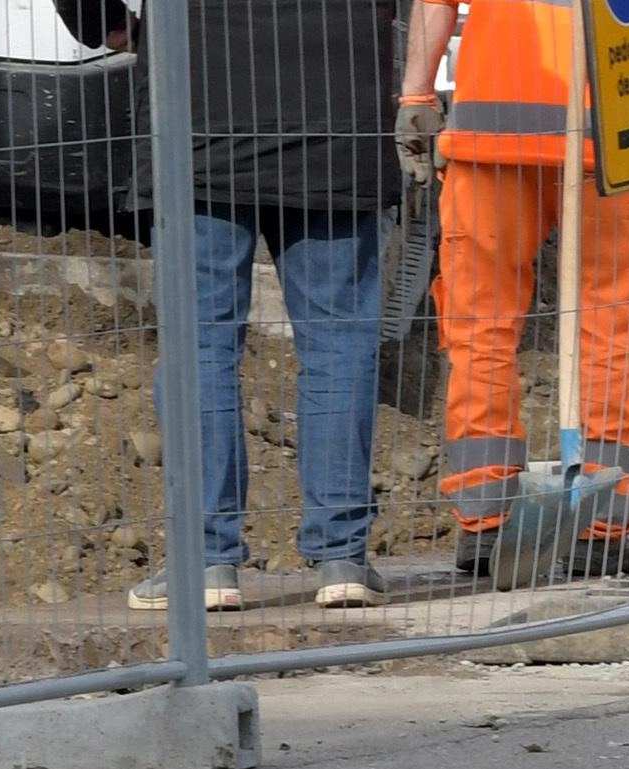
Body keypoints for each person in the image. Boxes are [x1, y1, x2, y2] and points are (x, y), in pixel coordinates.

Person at [94, 0, 401, 610]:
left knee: (200, 343)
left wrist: (101, 18)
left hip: (202, 106)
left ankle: (207, 561)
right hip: (335, 105)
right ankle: (341, 557)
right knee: (338, 339)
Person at [397, 0, 629, 589]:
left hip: (495, 134)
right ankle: (603, 527)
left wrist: (416, 97)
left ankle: (485, 524)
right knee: (611, 326)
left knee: (479, 328)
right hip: (616, 132)